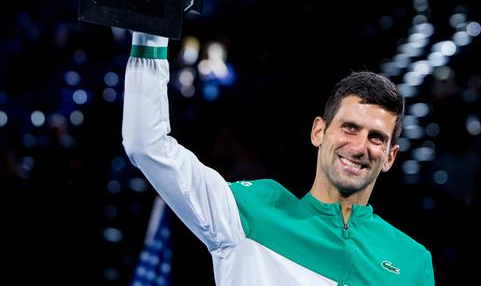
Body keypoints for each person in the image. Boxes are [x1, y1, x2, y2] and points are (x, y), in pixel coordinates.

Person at [122, 32, 435, 285]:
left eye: (376, 138)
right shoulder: (253, 210)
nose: (359, 146)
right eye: (349, 128)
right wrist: (151, 28)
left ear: (390, 157)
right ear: (319, 132)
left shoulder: (411, 262)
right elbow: (146, 145)